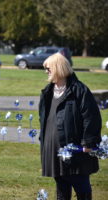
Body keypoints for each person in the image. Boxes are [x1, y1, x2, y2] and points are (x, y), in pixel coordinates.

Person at [39, 53, 102, 200]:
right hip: (53, 148)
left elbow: (91, 118)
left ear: (57, 68)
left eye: (48, 68)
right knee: (61, 187)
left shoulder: (80, 90)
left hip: (75, 149)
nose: (46, 72)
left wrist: (88, 142)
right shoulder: (48, 92)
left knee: (82, 186)